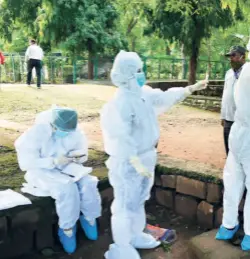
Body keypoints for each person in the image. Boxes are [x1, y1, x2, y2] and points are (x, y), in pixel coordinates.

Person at [100, 50, 208, 259]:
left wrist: (189, 89)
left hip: (146, 156)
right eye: (139, 70)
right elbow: (119, 136)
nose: (143, 74)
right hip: (128, 162)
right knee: (124, 204)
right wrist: (133, 160)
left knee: (139, 200)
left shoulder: (143, 93)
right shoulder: (120, 103)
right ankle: (122, 246)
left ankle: (136, 234)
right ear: (128, 74)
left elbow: (163, 97)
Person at [14, 106, 102, 254]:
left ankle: (89, 218)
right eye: (63, 130)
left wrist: (78, 156)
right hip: (41, 171)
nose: (65, 134)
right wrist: (52, 161)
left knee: (89, 184)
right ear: (53, 125)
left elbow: (82, 150)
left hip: (67, 167)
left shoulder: (75, 132)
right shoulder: (35, 134)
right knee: (67, 189)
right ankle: (67, 229)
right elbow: (26, 163)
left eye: (69, 131)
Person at [215, 43, 250, 251]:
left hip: (238, 131)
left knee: (232, 179)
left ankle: (228, 225)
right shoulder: (239, 72)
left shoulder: (244, 71)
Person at [221, 46, 246, 155]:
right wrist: (223, 115)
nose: (231, 58)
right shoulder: (228, 73)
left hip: (243, 121)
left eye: (234, 55)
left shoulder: (247, 73)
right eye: (229, 56)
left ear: (243, 57)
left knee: (242, 150)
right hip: (228, 119)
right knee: (229, 149)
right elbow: (225, 94)